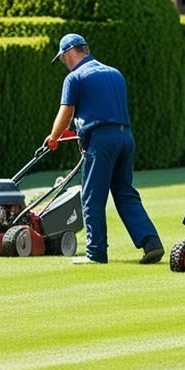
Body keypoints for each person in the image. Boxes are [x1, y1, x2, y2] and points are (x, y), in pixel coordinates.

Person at [45, 33, 165, 265]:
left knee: (92, 197)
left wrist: (53, 137)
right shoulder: (114, 73)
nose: (64, 63)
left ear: (70, 52)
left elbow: (66, 112)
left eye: (63, 59)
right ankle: (151, 243)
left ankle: (96, 253)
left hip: (101, 141)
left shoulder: (75, 77)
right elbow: (101, 108)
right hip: (125, 137)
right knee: (125, 193)